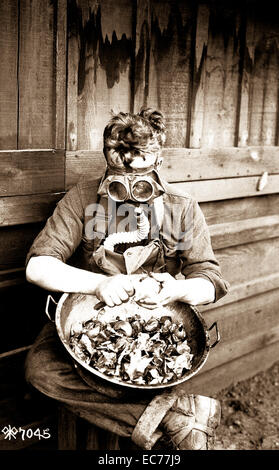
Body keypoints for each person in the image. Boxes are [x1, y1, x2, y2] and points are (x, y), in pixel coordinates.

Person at [25, 108, 229, 450]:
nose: (130, 189)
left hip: (156, 321)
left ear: (159, 161)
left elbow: (210, 279)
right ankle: (177, 419)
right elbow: (37, 266)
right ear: (107, 160)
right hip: (91, 316)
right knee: (40, 370)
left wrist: (176, 288)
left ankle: (156, 423)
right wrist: (98, 284)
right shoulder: (83, 199)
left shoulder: (181, 209)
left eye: (140, 169)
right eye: (119, 171)